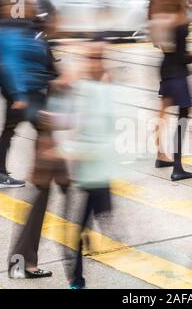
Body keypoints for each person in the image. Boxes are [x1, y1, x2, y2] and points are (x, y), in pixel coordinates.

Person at [60, 43, 116, 290]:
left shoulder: (104, 85)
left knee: (99, 213)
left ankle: (86, 246)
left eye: (97, 58)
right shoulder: (82, 86)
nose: (93, 63)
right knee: (76, 225)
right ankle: (77, 279)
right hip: (85, 163)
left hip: (99, 163)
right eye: (90, 58)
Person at [0, 0, 57, 189]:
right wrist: (19, 94)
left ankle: (0, 173)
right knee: (44, 129)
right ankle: (45, 173)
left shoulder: (11, 28)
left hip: (25, 88)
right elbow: (10, 63)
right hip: (25, 91)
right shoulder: (11, 31)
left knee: (9, 130)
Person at [149, 0, 192, 181]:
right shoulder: (177, 14)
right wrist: (190, 57)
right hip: (177, 71)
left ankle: (161, 155)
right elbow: (180, 52)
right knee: (183, 115)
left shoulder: (160, 12)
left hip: (167, 67)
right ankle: (177, 167)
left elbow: (159, 43)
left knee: (165, 112)